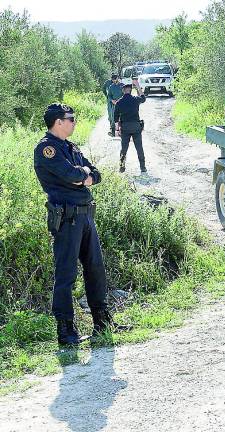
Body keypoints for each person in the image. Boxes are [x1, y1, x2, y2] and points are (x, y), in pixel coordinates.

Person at [33, 103, 113, 346]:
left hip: (86, 215)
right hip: (67, 218)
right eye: (71, 119)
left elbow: (95, 174)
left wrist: (85, 175)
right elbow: (72, 175)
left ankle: (102, 321)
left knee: (95, 269)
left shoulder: (70, 147)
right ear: (58, 122)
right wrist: (83, 175)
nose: (74, 122)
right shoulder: (46, 149)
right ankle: (66, 331)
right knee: (66, 274)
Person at [114, 79, 147, 173]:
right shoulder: (135, 99)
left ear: (123, 90)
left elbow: (115, 117)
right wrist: (137, 85)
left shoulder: (119, 102)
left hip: (125, 128)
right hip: (136, 127)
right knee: (139, 147)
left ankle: (122, 167)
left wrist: (117, 130)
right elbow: (143, 98)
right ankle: (143, 167)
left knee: (124, 149)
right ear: (131, 90)